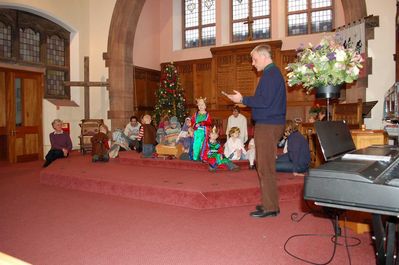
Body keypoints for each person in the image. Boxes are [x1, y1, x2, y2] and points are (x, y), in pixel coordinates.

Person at [224, 44, 286, 218]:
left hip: (268, 126)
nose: (252, 63)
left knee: (265, 166)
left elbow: (264, 101)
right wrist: (243, 102)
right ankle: (269, 203)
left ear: (265, 57)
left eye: (255, 59)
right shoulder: (270, 74)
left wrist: (243, 98)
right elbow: (264, 101)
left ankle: (271, 207)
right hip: (268, 124)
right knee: (264, 165)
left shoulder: (271, 74)